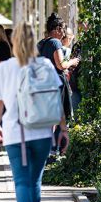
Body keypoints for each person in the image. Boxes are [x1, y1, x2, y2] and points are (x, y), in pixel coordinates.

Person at [0, 21, 67, 202]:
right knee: (35, 181)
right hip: (43, 131)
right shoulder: (44, 64)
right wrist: (63, 128)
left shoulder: (4, 68)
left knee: (21, 181)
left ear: (14, 41)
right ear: (34, 41)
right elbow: (56, 98)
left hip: (15, 132)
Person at [37, 13, 79, 154]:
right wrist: (73, 61)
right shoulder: (55, 43)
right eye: (62, 29)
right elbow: (61, 65)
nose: (63, 33)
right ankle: (52, 150)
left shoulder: (41, 43)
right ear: (55, 29)